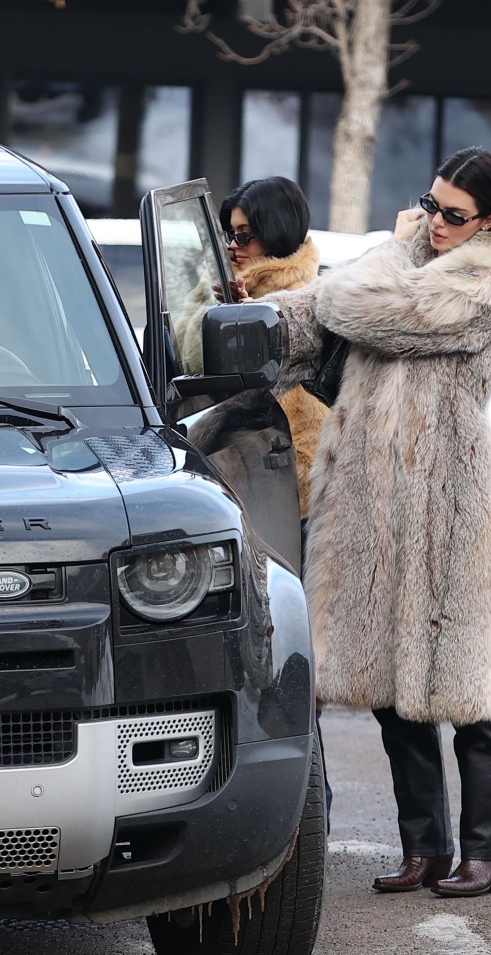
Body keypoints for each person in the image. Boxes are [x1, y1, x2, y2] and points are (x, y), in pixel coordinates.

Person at [249, 147, 491, 898]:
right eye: (431, 205)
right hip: (370, 499)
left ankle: (488, 849)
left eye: (453, 214)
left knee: (466, 686)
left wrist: (394, 245)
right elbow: (316, 313)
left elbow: (365, 308)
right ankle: (424, 847)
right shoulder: (410, 261)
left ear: (490, 221)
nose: (436, 221)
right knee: (387, 684)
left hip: (446, 499)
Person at [175, 176, 333, 823]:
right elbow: (188, 363)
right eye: (228, 233)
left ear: (277, 232)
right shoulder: (230, 293)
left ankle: (306, 809)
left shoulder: (304, 296)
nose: (235, 246)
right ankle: (298, 807)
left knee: (294, 662)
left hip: (299, 500)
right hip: (244, 494)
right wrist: (212, 303)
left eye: (244, 235)